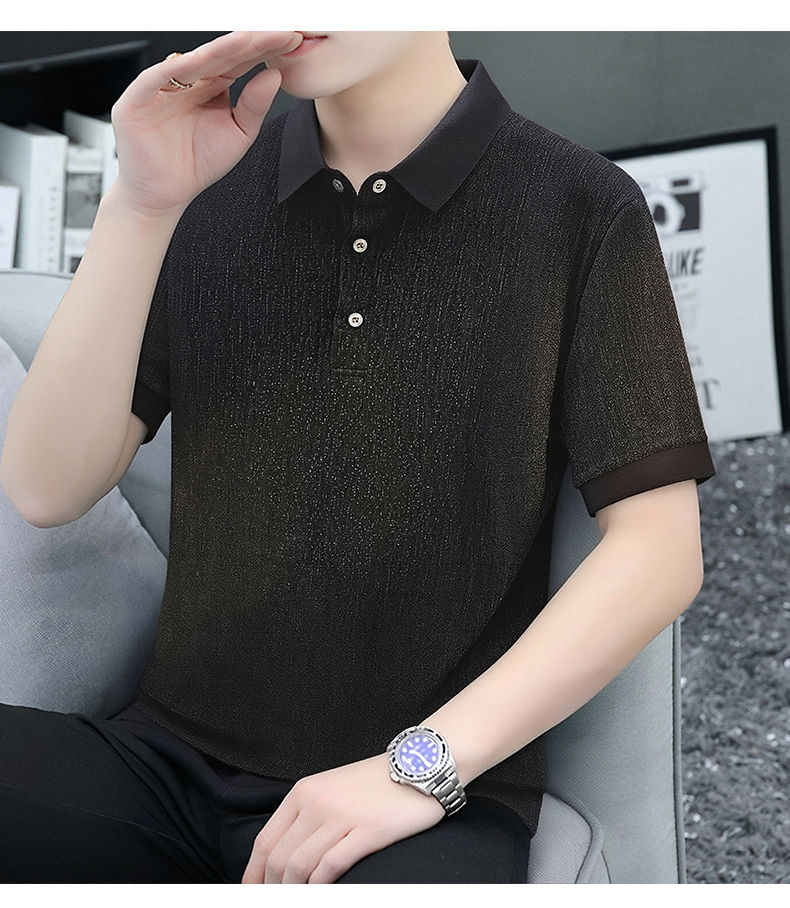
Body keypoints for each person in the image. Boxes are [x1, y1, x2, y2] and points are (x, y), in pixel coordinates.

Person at [0, 31, 715, 883]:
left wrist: (415, 770)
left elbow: (659, 553)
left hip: (425, 803)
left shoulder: (581, 206)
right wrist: (141, 203)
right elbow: (48, 489)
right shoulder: (205, 183)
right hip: (164, 762)